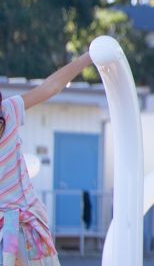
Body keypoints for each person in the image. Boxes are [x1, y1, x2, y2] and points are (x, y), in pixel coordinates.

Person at [1, 53, 92, 266]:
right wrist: (87, 57)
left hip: (12, 233)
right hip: (28, 229)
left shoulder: (10, 111)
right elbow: (50, 87)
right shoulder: (8, 111)